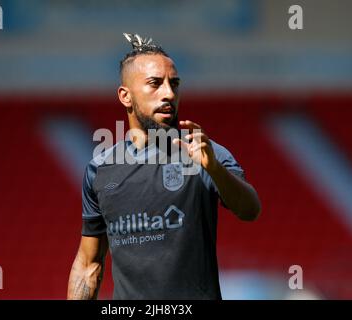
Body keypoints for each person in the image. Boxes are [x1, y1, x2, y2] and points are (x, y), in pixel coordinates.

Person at [67, 33, 261, 300]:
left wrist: (214, 168)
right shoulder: (100, 168)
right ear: (125, 96)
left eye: (175, 84)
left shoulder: (205, 153)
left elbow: (250, 210)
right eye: (154, 84)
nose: (169, 93)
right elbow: (89, 265)